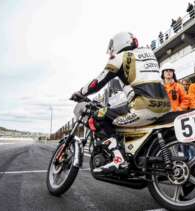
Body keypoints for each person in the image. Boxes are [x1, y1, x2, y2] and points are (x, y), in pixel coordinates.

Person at [70, 32, 170, 173]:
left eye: (112, 48)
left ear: (118, 43)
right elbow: (136, 84)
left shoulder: (120, 58)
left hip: (144, 107)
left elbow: (97, 82)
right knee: (116, 114)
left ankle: (118, 159)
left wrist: (81, 92)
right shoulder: (148, 53)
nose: (111, 51)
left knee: (98, 116)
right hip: (164, 106)